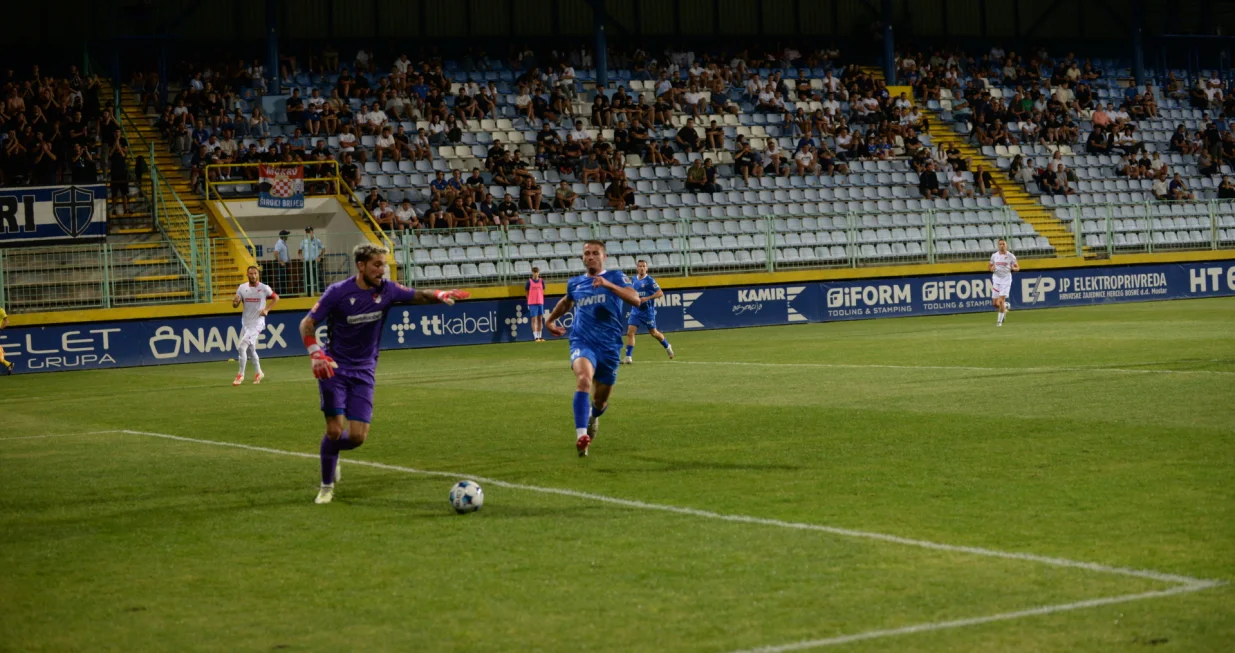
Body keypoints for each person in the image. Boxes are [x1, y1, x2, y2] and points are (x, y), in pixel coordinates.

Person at [299, 244, 470, 504]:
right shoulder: (338, 292)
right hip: (334, 368)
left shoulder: (387, 290)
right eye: (377, 265)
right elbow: (307, 323)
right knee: (334, 430)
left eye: (385, 264)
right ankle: (325, 486)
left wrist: (440, 293)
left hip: (365, 369)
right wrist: (315, 354)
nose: (383, 270)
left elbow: (418, 296)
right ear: (361, 266)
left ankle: (332, 452)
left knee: (357, 437)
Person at [542, 241, 641, 457]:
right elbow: (567, 302)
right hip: (582, 342)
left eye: (595, 253)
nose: (590, 257)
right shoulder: (575, 283)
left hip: (609, 347)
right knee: (584, 380)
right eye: (587, 253)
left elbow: (636, 300)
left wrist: (608, 285)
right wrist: (549, 321)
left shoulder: (616, 277)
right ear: (582, 257)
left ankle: (593, 417)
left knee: (600, 401)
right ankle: (581, 436)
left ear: (604, 257)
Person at [231, 266, 279, 385]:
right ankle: (259, 372)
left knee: (242, 346)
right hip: (246, 322)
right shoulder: (242, 288)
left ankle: (240, 375)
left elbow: (276, 298)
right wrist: (235, 303)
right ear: (247, 275)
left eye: (255, 273)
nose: (253, 275)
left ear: (258, 274)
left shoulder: (264, 288)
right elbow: (236, 305)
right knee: (251, 349)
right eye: (251, 273)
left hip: (258, 322)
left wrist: (267, 309)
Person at [623, 260, 674, 364]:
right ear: (637, 268)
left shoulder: (650, 280)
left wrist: (648, 298)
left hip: (647, 312)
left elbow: (660, 293)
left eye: (644, 266)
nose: (642, 268)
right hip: (636, 310)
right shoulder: (633, 280)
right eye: (640, 266)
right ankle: (628, 357)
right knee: (630, 332)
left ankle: (667, 346)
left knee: (654, 333)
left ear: (647, 268)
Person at [989, 238, 1019, 327]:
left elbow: (1018, 267)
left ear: (1006, 245)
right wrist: (991, 269)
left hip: (1006, 280)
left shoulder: (1011, 256)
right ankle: (1005, 306)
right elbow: (990, 266)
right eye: (1000, 244)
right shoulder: (994, 256)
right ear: (998, 245)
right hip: (996, 279)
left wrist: (1014, 268)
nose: (1002, 246)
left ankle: (999, 322)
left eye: (1003, 244)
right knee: (995, 303)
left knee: (1001, 300)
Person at [299, 226, 325, 294]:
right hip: (307, 262)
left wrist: (320, 256)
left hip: (315, 261)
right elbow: (299, 251)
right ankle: (309, 293)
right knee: (307, 278)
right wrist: (301, 257)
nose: (308, 234)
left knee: (318, 276)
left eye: (309, 232)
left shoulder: (317, 241)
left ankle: (323, 292)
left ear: (312, 232)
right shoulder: (303, 241)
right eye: (306, 232)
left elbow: (323, 249)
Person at [526, 267, 546, 342]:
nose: (535, 273)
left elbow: (543, 290)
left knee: (540, 319)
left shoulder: (541, 281)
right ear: (532, 273)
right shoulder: (529, 282)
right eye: (534, 272)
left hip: (540, 302)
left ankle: (540, 336)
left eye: (536, 272)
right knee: (534, 319)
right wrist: (528, 301)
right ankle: (535, 336)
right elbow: (527, 292)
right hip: (532, 302)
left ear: (539, 273)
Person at [0, 305, 11, 375]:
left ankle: (8, 364)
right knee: (1, 358)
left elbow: (6, 321)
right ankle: (8, 364)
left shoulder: (0, 310)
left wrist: (0, 328)